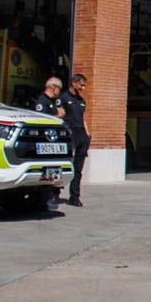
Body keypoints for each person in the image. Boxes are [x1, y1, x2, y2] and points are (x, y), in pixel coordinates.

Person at [32, 76, 66, 209]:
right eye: (59, 89)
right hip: (44, 142)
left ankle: (52, 194)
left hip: (53, 142)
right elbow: (42, 119)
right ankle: (45, 198)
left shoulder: (53, 101)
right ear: (53, 87)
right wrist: (59, 116)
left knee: (53, 171)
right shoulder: (42, 101)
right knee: (45, 172)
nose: (59, 92)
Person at [61, 73, 90, 207]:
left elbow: (83, 119)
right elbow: (59, 116)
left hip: (81, 135)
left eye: (84, 85)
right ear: (73, 83)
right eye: (81, 85)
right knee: (63, 165)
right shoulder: (63, 98)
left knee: (78, 169)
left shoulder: (82, 101)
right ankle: (54, 194)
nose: (83, 88)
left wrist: (87, 134)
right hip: (69, 134)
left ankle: (75, 196)